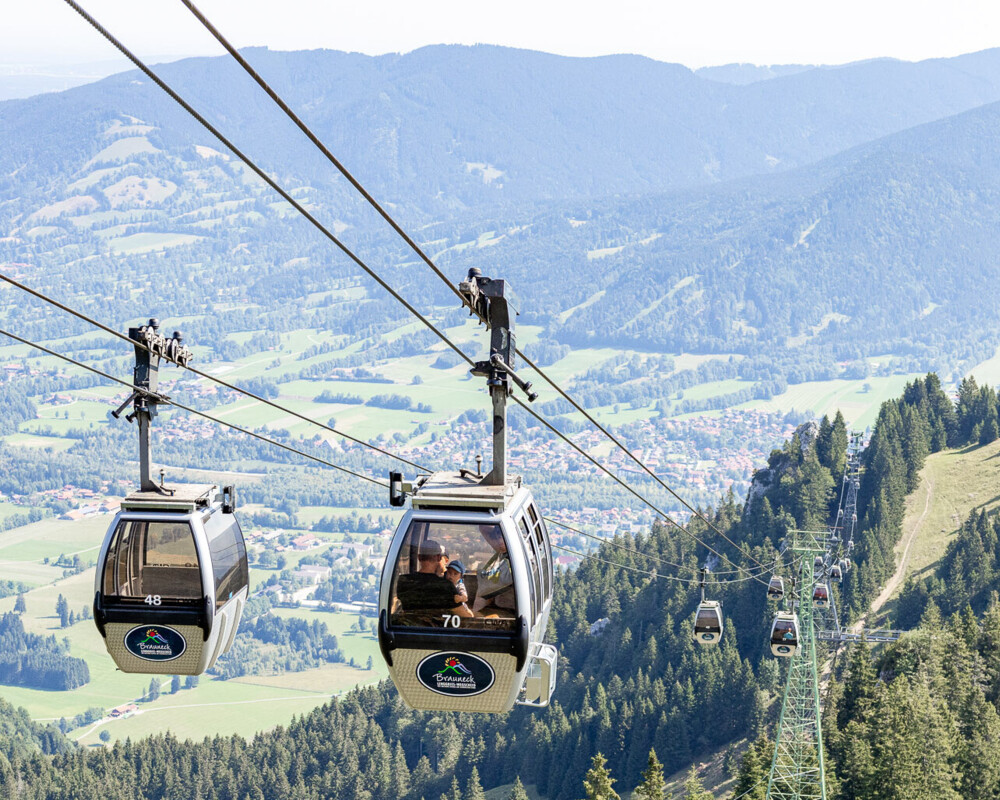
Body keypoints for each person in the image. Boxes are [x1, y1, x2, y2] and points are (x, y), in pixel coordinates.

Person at [395, 540, 457, 612]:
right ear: (438, 558)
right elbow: (465, 614)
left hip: (408, 622)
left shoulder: (403, 581)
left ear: (419, 557)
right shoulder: (446, 586)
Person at [473, 524, 515, 616]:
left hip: (509, 608)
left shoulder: (516, 554)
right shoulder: (500, 553)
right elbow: (483, 527)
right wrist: (498, 523)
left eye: (503, 538)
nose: (500, 541)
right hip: (493, 599)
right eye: (498, 538)